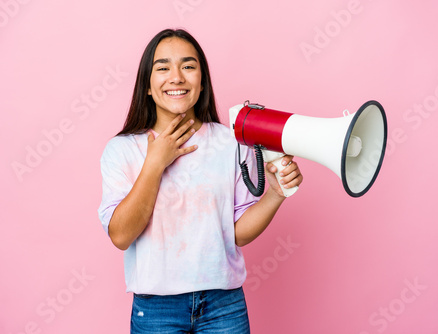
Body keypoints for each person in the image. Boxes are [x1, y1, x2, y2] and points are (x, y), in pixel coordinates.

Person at [98, 28, 303, 334]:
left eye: (188, 66)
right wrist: (154, 164)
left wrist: (275, 193)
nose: (177, 77)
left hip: (224, 306)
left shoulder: (233, 143)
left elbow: (237, 234)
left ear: (202, 82)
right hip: (157, 308)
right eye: (163, 68)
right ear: (148, 87)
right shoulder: (122, 150)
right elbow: (121, 236)